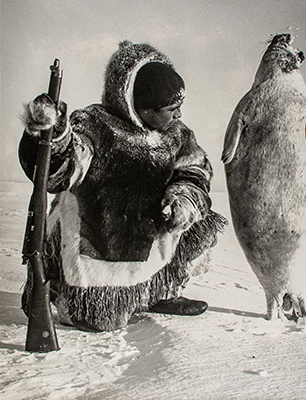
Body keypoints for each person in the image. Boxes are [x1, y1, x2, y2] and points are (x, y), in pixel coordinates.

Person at [19, 40, 227, 331]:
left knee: (201, 225)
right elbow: (60, 172)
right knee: (102, 322)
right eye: (171, 108)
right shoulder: (94, 126)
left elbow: (195, 170)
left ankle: (159, 291)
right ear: (142, 108)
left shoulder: (177, 134)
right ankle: (66, 296)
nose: (179, 114)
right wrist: (54, 136)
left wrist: (184, 198)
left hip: (151, 233)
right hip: (100, 242)